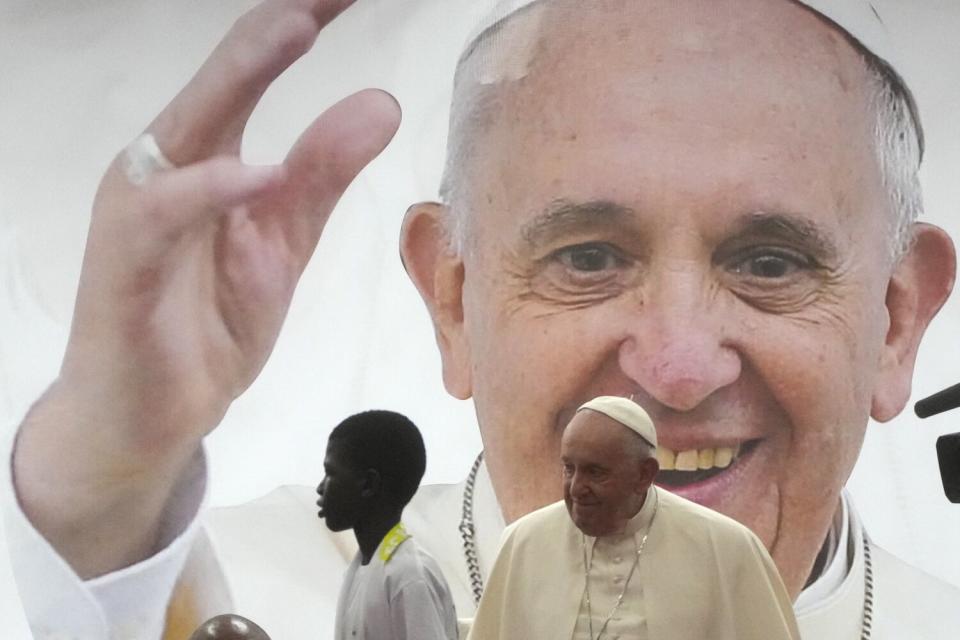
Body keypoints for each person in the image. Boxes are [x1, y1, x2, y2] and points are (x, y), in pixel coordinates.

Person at [3, 0, 959, 638]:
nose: (677, 365)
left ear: (897, 319)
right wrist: (111, 480)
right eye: (587, 257)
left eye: (769, 263)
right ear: (454, 300)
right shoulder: (277, 593)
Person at [467, 396, 800, 640]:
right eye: (569, 469)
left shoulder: (725, 546)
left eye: (596, 472)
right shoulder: (524, 542)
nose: (577, 488)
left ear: (645, 475)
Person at [317, 410, 457, 640]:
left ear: (368, 484)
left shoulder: (409, 577)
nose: (321, 488)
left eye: (330, 473)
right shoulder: (361, 570)